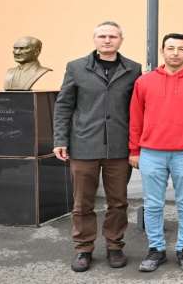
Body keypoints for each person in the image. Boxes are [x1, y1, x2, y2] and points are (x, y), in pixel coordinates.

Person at [53, 21, 141, 272]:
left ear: (121, 39)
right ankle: (83, 249)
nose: (107, 40)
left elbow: (138, 109)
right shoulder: (76, 67)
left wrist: (136, 145)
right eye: (102, 36)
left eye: (112, 36)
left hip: (119, 148)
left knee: (118, 202)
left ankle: (114, 245)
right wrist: (60, 139)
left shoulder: (133, 69)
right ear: (94, 39)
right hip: (83, 145)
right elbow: (64, 105)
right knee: (82, 202)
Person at [128, 33, 183, 273]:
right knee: (153, 204)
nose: (175, 53)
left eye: (181, 49)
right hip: (151, 152)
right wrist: (134, 150)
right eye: (170, 48)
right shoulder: (144, 82)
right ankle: (156, 249)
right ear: (162, 51)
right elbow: (135, 118)